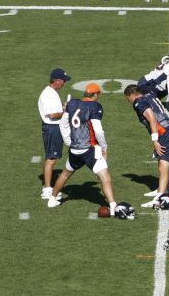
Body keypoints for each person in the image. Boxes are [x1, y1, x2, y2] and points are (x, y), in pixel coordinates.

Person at [48, 84, 129, 217]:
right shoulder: (94, 107)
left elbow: (63, 124)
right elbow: (98, 130)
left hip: (74, 149)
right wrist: (104, 147)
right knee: (105, 176)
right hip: (89, 149)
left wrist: (69, 141)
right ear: (95, 94)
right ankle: (113, 206)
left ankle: (52, 199)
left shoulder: (72, 103)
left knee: (65, 174)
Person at [123, 84, 169, 206]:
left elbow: (152, 119)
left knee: (163, 165)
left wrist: (155, 140)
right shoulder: (149, 96)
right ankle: (163, 190)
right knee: (167, 163)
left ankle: (160, 197)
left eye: (127, 97)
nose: (127, 100)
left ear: (132, 94)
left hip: (165, 133)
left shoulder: (139, 102)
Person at [36, 68, 69, 199]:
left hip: (53, 128)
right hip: (52, 128)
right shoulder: (49, 94)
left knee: (51, 158)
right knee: (51, 159)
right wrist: (66, 112)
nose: (64, 83)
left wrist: (63, 108)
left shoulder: (51, 92)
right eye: (64, 81)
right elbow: (52, 115)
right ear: (57, 81)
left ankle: (48, 187)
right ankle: (47, 189)